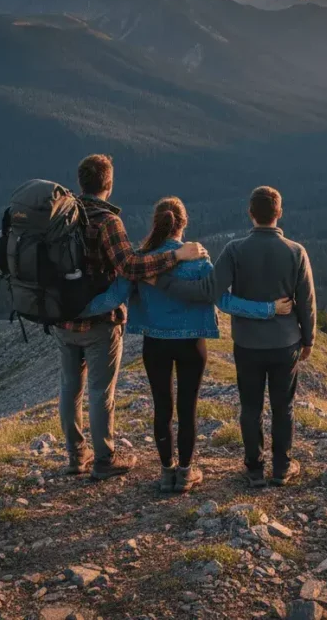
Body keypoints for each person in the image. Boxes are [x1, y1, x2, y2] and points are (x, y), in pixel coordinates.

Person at [84, 197, 293, 493]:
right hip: (191, 344)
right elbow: (224, 300)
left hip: (154, 343)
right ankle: (185, 473)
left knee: (162, 408)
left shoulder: (141, 261)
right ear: (184, 224)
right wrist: (269, 310)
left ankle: (166, 472)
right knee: (187, 409)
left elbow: (111, 299)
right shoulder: (198, 259)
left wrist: (71, 311)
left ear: (156, 224)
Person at [53, 154, 206, 481]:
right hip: (98, 323)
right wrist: (176, 256)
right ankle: (104, 460)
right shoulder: (107, 222)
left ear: (82, 182)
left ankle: (74, 456)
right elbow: (130, 268)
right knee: (99, 393)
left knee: (69, 388)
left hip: (63, 320)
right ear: (108, 184)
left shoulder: (62, 217)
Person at [159, 186, 316, 487]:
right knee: (284, 406)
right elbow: (307, 302)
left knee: (251, 406)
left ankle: (254, 468)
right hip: (285, 343)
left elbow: (209, 290)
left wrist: (166, 285)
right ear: (279, 213)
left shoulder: (234, 250)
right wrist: (308, 340)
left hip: (247, 344)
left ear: (250, 214)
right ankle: (282, 467)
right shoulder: (296, 251)